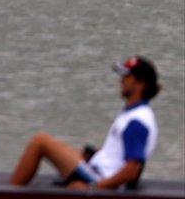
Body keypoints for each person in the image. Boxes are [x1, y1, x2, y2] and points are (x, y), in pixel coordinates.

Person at [9, 57, 160, 190]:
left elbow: (132, 170)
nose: (121, 80)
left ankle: (6, 194)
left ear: (140, 84)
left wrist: (93, 188)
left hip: (100, 179)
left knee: (40, 141)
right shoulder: (134, 113)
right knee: (65, 148)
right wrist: (94, 154)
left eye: (127, 77)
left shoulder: (136, 122)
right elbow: (120, 156)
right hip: (98, 170)